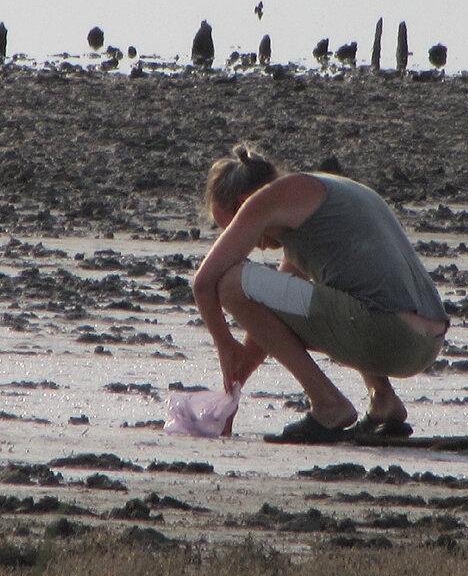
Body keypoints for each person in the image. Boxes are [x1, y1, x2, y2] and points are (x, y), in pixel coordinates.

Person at [191, 144, 448, 443]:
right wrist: (231, 395)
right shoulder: (314, 197)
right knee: (351, 290)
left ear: (246, 201)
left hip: (390, 336)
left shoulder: (270, 199)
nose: (255, 246)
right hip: (426, 342)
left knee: (232, 283)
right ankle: (383, 401)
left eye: (234, 228)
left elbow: (204, 283)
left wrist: (224, 345)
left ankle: (328, 405)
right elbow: (271, 319)